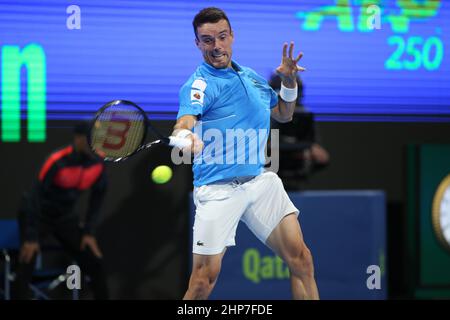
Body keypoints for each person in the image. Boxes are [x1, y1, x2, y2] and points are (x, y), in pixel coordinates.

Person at [172, 7, 319, 299]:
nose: (216, 46)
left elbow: (284, 113)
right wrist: (183, 135)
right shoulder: (199, 84)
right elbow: (185, 121)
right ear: (197, 44)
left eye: (222, 37)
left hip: (259, 182)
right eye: (207, 40)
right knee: (202, 282)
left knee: (301, 260)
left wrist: (288, 81)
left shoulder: (250, 77)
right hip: (217, 190)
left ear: (232, 37)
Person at [12, 122, 109, 299]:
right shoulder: (57, 161)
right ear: (79, 139)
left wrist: (89, 232)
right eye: (91, 139)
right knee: (28, 259)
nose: (96, 144)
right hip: (37, 215)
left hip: (65, 219)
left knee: (94, 261)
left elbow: (98, 198)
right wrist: (31, 236)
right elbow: (35, 198)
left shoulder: (99, 164)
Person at [268, 74, 330, 189]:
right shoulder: (264, 113)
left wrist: (310, 147)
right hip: (270, 158)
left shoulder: (303, 115)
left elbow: (313, 144)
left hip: (297, 160)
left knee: (321, 156)